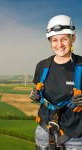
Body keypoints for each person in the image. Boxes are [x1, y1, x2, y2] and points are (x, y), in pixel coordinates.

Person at [30, 15, 82, 150]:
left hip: (74, 134)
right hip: (45, 130)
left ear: (73, 39)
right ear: (50, 42)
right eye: (55, 40)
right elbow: (39, 90)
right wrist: (35, 94)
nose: (59, 45)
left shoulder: (81, 66)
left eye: (64, 39)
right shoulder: (42, 66)